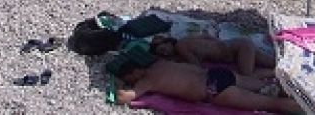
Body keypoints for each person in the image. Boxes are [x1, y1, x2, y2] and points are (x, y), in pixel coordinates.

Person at [115, 60, 300, 113]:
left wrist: (118, 87)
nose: (132, 82)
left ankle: (312, 111)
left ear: (134, 72)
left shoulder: (147, 80)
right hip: (218, 73)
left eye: (130, 78)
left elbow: (124, 97)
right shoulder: (161, 63)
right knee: (269, 88)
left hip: (213, 90)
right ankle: (299, 92)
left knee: (271, 104)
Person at [149, 35, 274, 78]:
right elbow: (207, 36)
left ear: (168, 42)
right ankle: (286, 69)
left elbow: (196, 66)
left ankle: (275, 73)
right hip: (238, 45)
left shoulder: (180, 47)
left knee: (247, 76)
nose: (165, 53)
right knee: (272, 61)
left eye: (163, 49)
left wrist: (176, 64)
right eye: (162, 54)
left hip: (238, 49)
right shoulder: (186, 40)